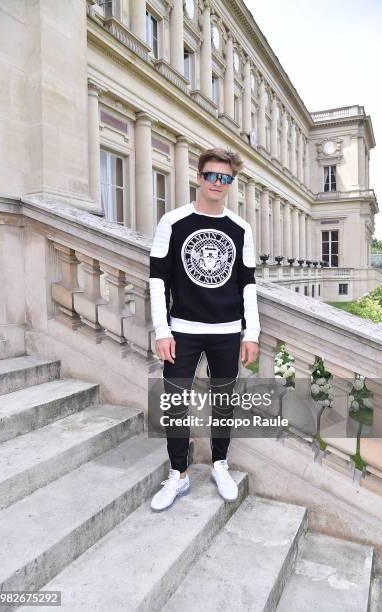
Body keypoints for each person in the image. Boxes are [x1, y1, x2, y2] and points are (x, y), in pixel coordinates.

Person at [148, 146, 261, 512]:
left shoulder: (240, 229)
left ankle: (219, 464)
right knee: (175, 403)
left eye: (225, 178)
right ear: (199, 177)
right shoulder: (174, 222)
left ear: (231, 182)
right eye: (211, 175)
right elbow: (157, 281)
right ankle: (178, 475)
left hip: (228, 331)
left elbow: (247, 284)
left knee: (224, 402)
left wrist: (252, 333)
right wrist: (162, 330)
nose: (217, 183)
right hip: (182, 330)